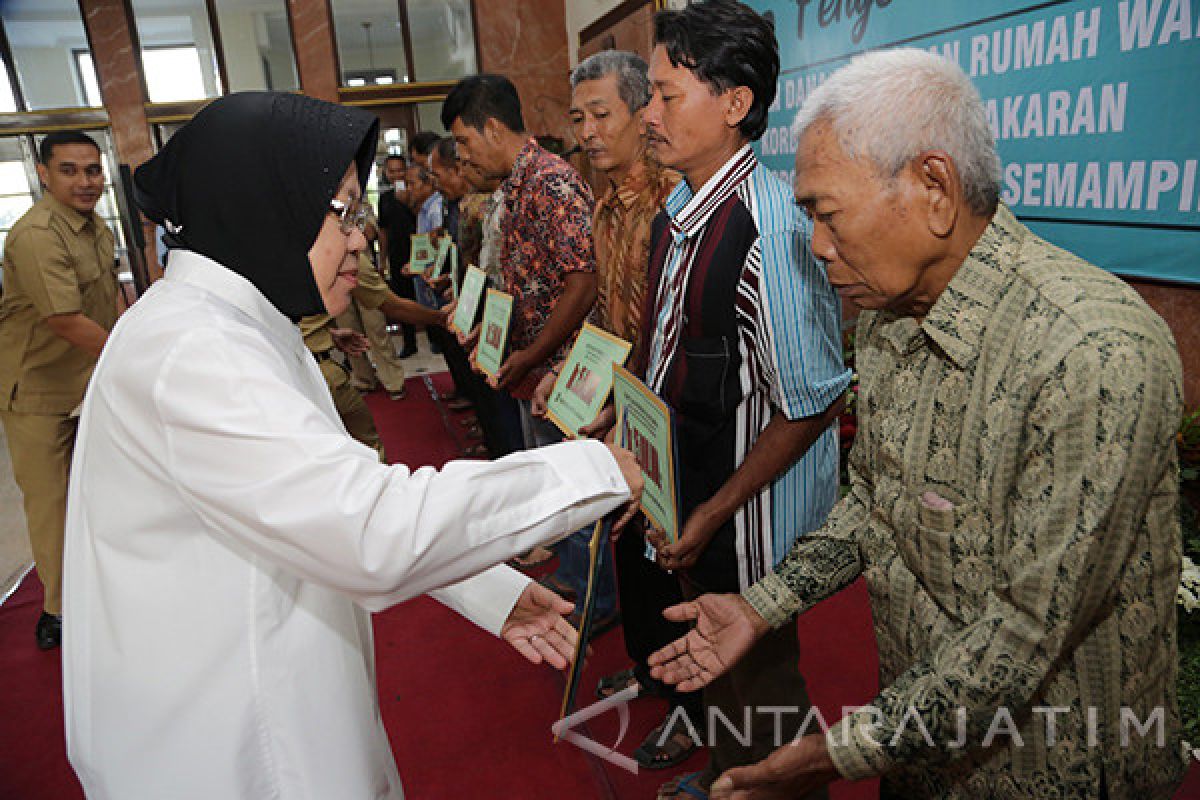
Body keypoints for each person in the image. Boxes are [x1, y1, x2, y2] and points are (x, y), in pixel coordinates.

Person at [61, 91, 644, 799]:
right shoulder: (194, 353)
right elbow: (367, 528)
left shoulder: (235, 323)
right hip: (229, 746)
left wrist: (486, 589)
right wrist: (585, 470)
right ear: (263, 205)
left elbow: (329, 495)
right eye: (344, 211)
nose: (364, 238)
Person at [647, 48, 1187, 800]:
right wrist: (759, 606)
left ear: (934, 187)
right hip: (921, 749)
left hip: (1056, 767)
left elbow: (1026, 631)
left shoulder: (1090, 351)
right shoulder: (888, 314)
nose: (817, 247)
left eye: (827, 214)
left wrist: (827, 757)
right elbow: (874, 499)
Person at [631, 3, 852, 797]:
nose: (647, 115)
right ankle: (727, 776)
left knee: (762, 694)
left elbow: (811, 405)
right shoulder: (678, 215)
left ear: (734, 103)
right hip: (694, 509)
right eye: (648, 96)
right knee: (712, 671)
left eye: (665, 96)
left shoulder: (768, 229)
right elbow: (666, 359)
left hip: (746, 529)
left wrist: (715, 512)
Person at [530, 48, 699, 770]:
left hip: (669, 417)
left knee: (675, 563)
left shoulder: (675, 203)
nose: (590, 131)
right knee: (630, 555)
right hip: (617, 413)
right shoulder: (603, 202)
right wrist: (570, 375)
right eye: (579, 118)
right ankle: (651, 666)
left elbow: (672, 330)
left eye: (603, 114)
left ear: (643, 113)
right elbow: (609, 317)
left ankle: (694, 708)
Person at [0, 131, 119, 650]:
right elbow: (65, 319)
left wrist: (128, 338)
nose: (85, 181)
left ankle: (94, 587)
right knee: (52, 505)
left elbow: (108, 294)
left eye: (92, 169)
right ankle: (58, 613)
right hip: (38, 389)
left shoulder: (96, 228)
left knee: (96, 493)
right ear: (43, 173)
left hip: (86, 378)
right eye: (69, 170)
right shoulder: (38, 234)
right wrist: (133, 357)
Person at [377, 154, 418, 357]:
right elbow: (382, 230)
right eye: (391, 171)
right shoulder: (384, 198)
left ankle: (435, 338)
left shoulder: (416, 192)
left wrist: (409, 201)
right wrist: (382, 259)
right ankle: (409, 342)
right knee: (402, 299)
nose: (396, 175)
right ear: (386, 173)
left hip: (418, 254)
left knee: (423, 296)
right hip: (396, 254)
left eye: (400, 170)